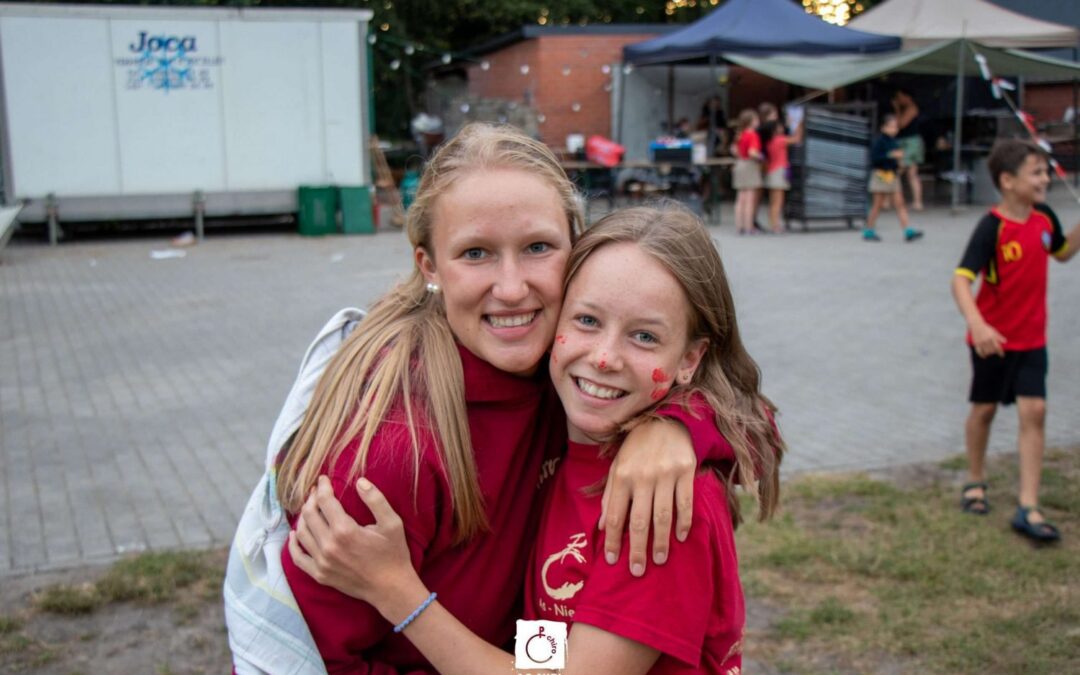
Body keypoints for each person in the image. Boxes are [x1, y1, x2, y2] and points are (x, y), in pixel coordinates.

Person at [231, 123, 734, 673]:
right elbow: (313, 661)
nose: (512, 288)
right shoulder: (392, 447)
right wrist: (405, 598)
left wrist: (679, 427)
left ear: (575, 247)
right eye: (476, 253)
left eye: (538, 247)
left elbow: (749, 413)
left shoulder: (581, 396)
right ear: (429, 266)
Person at [290, 202, 785, 674]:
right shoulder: (562, 452)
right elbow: (543, 658)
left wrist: (397, 592)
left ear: (690, 359)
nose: (604, 357)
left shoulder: (660, 506)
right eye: (587, 321)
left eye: (644, 337)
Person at [951, 139, 1080, 543]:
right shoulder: (991, 227)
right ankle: (975, 480)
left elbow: (1062, 252)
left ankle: (1029, 505)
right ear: (1007, 181)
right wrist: (979, 325)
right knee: (984, 410)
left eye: (1045, 172)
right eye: (1036, 173)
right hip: (992, 341)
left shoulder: (1045, 218)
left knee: (1035, 411)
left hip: (1032, 339)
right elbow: (960, 280)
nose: (1045, 180)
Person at [865, 114, 923, 243]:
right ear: (883, 128)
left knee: (900, 204)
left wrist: (899, 163)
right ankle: (869, 230)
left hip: (892, 175)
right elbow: (875, 159)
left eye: (895, 127)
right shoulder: (879, 142)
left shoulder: (895, 142)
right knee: (877, 205)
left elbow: (896, 160)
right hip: (881, 175)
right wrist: (891, 155)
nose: (893, 129)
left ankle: (908, 230)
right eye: (890, 127)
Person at [757, 103, 801, 234]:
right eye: (780, 126)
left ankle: (773, 223)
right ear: (775, 130)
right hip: (779, 172)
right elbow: (797, 139)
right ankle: (775, 225)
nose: (782, 127)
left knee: (773, 201)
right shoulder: (780, 140)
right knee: (778, 201)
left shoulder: (770, 141)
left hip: (772, 171)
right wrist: (798, 123)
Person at [892, 89, 925, 211]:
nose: (899, 100)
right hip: (906, 142)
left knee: (898, 170)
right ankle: (917, 202)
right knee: (911, 174)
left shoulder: (912, 108)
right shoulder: (906, 109)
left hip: (910, 143)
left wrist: (896, 109)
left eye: (900, 97)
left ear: (908, 97)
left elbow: (900, 124)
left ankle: (889, 200)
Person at [732, 109, 764, 235]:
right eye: (756, 119)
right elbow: (752, 153)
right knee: (750, 198)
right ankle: (749, 226)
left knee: (740, 198)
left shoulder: (740, 134)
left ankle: (739, 226)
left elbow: (734, 151)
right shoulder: (753, 135)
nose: (758, 121)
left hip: (740, 164)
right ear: (751, 121)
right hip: (750, 165)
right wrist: (761, 157)